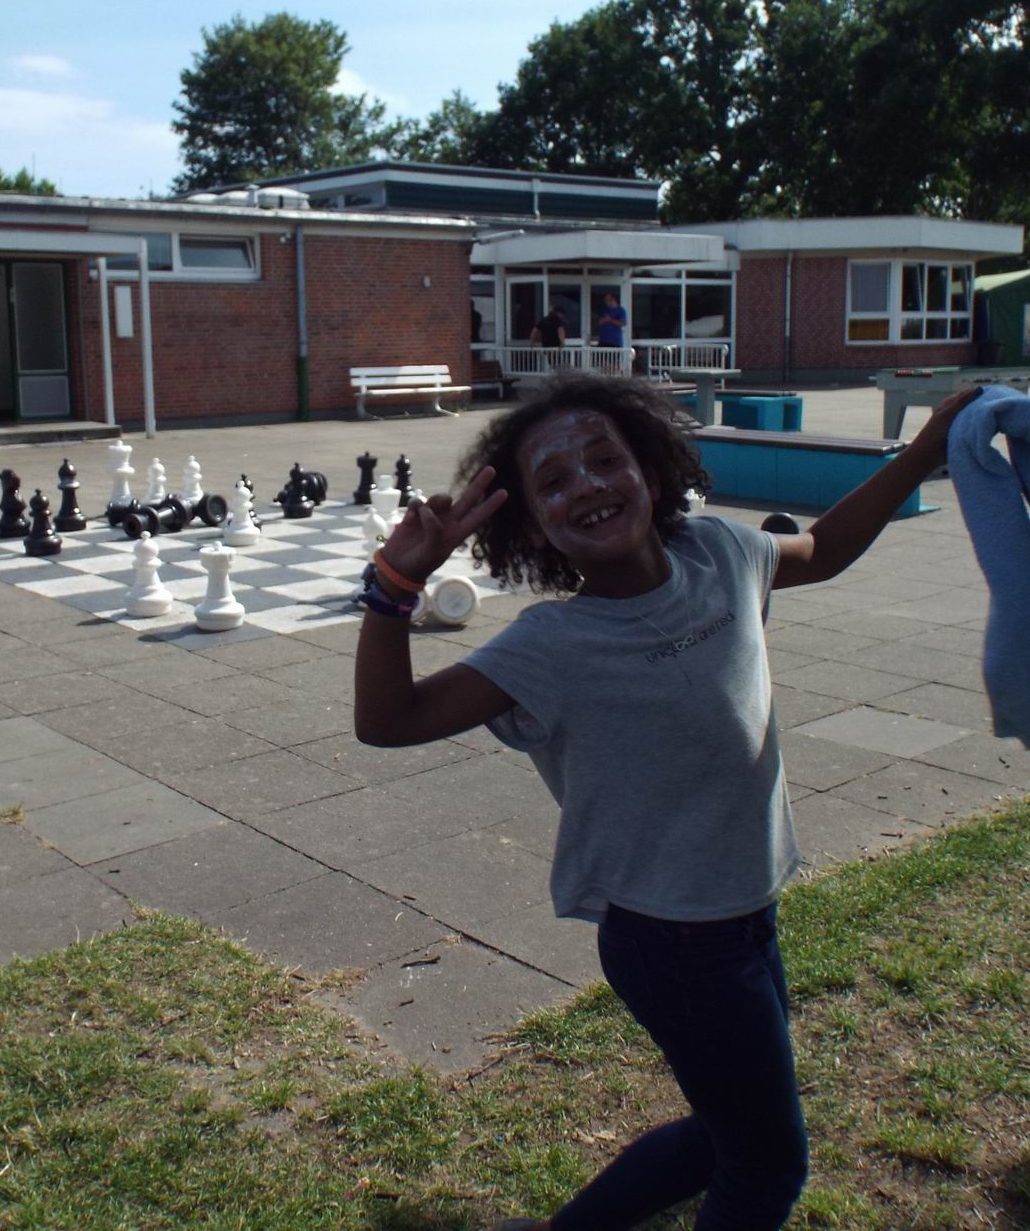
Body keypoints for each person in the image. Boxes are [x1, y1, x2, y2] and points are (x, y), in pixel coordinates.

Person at [353, 372, 980, 1231]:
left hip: (746, 910)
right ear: (531, 526)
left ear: (650, 470)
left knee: (729, 1134)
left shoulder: (721, 555)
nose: (587, 486)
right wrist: (394, 583)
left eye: (604, 459)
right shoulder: (551, 645)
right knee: (764, 1170)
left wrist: (922, 451)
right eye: (554, 481)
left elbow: (825, 549)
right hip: (670, 941)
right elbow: (387, 722)